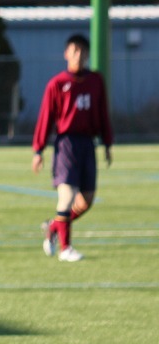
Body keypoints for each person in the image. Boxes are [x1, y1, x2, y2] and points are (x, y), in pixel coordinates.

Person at [32, 33, 113, 263]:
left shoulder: (96, 81)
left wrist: (107, 143)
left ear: (88, 55)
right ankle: (65, 248)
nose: (79, 55)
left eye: (83, 51)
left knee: (85, 201)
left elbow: (103, 114)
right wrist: (38, 150)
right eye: (75, 50)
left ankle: (54, 226)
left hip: (88, 144)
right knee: (66, 196)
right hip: (67, 144)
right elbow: (46, 118)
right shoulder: (57, 84)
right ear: (66, 53)